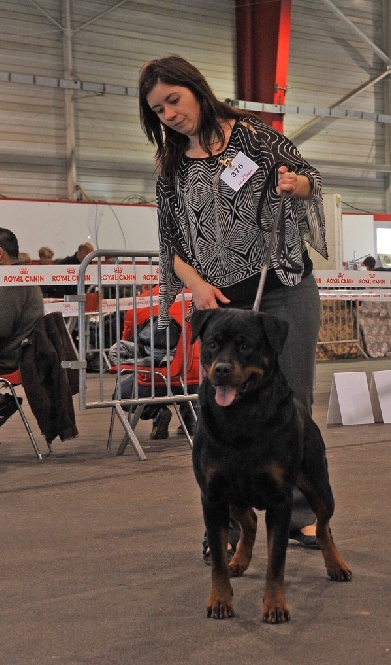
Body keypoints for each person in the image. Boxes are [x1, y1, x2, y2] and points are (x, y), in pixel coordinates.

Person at [138, 55, 328, 555]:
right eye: (158, 110)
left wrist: (294, 184)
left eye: (173, 101)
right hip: (220, 301)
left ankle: (298, 515)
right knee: (216, 414)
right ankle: (220, 525)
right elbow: (170, 244)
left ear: (195, 89)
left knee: (294, 406)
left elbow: (312, 181)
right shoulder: (172, 166)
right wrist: (196, 285)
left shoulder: (256, 137)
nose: (170, 115)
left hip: (282, 285)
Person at [109, 284, 197, 440]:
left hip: (154, 380)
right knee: (192, 383)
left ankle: (156, 412)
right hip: (197, 378)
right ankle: (191, 421)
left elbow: (127, 341)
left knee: (120, 393)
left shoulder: (141, 301)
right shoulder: (202, 296)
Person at [0, 228, 44, 426]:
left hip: (8, 358)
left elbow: (1, 328)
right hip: (17, 352)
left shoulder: (9, 281)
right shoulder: (21, 277)